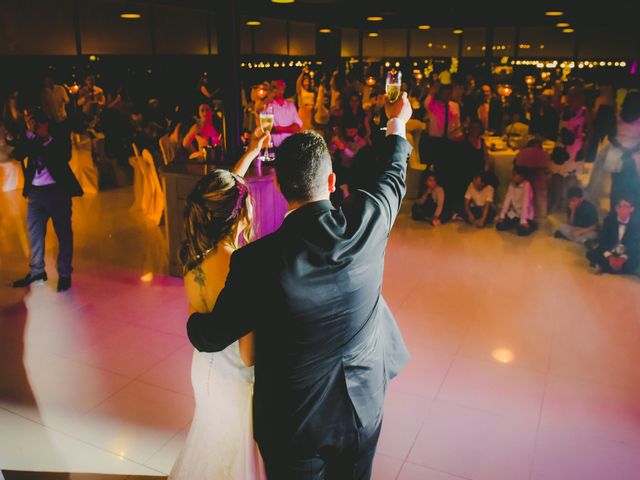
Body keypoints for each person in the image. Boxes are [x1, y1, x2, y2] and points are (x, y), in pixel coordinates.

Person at [186, 94, 412, 479]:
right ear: (330, 181)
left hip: (294, 427)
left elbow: (212, 335)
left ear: (278, 186)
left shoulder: (254, 262)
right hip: (363, 407)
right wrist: (397, 122)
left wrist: (193, 319)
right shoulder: (368, 221)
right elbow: (393, 175)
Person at [169, 128, 270, 480]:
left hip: (204, 371)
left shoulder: (193, 257)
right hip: (235, 379)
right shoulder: (242, 267)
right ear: (240, 215)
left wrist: (252, 150)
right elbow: (249, 355)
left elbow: (227, 191)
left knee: (211, 444)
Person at [11, 108, 83, 292]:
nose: (36, 127)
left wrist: (45, 138)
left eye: (39, 124)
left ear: (47, 124)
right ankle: (37, 272)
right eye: (34, 123)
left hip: (57, 191)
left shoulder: (59, 132)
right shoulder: (29, 137)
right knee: (34, 234)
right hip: (35, 193)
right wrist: (29, 133)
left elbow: (64, 155)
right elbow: (18, 154)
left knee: (63, 233)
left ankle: (65, 273)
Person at [548, 87, 589, 213]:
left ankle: (569, 203)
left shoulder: (585, 112)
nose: (572, 99)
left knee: (572, 177)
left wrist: (585, 150)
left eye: (575, 96)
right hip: (561, 146)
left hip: (575, 147)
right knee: (557, 175)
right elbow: (555, 104)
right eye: (571, 96)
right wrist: (557, 89)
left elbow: (589, 132)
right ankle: (557, 201)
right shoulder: (564, 109)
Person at [586, 196, 639, 274]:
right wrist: (610, 257)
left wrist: (623, 258)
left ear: (632, 209)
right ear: (616, 208)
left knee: (636, 259)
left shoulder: (636, 223)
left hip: (626, 253)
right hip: (610, 250)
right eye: (620, 206)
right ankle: (615, 268)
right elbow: (603, 240)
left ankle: (604, 267)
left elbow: (634, 244)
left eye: (626, 207)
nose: (623, 210)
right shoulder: (609, 220)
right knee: (590, 254)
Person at [514, 139, 551, 219]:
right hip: (536, 178)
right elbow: (547, 168)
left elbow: (516, 165)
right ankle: (536, 214)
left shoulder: (521, 153)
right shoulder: (544, 155)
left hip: (524, 177)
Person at [496, 166, 537, 236]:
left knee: (521, 232)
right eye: (513, 175)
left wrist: (523, 220)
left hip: (526, 215)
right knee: (499, 226)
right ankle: (517, 224)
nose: (513, 177)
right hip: (515, 213)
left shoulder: (527, 185)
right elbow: (507, 200)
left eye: (515, 175)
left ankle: (531, 225)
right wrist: (502, 215)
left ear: (522, 176)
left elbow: (526, 203)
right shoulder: (511, 184)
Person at [268, 80, 303, 149]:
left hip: (291, 146)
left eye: (281, 87)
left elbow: (297, 127)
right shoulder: (268, 105)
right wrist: (288, 128)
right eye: (275, 87)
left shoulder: (291, 105)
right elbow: (267, 128)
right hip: (273, 147)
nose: (278, 90)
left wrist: (279, 129)